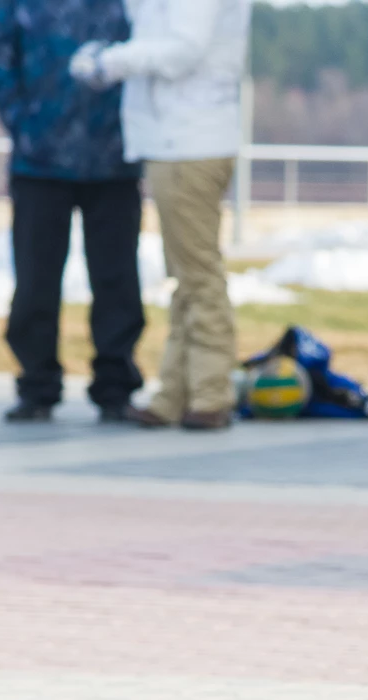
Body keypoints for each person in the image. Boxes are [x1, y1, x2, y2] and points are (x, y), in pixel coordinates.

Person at [70, 0, 251, 431]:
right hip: (176, 141)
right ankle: (175, 392)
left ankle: (210, 393)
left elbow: (183, 49)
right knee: (185, 274)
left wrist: (109, 63)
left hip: (188, 141)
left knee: (198, 274)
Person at [0, 0, 145, 424]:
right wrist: (23, 118)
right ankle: (37, 386)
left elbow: (150, 44)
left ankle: (115, 387)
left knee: (118, 279)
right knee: (36, 279)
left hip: (115, 157)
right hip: (39, 160)